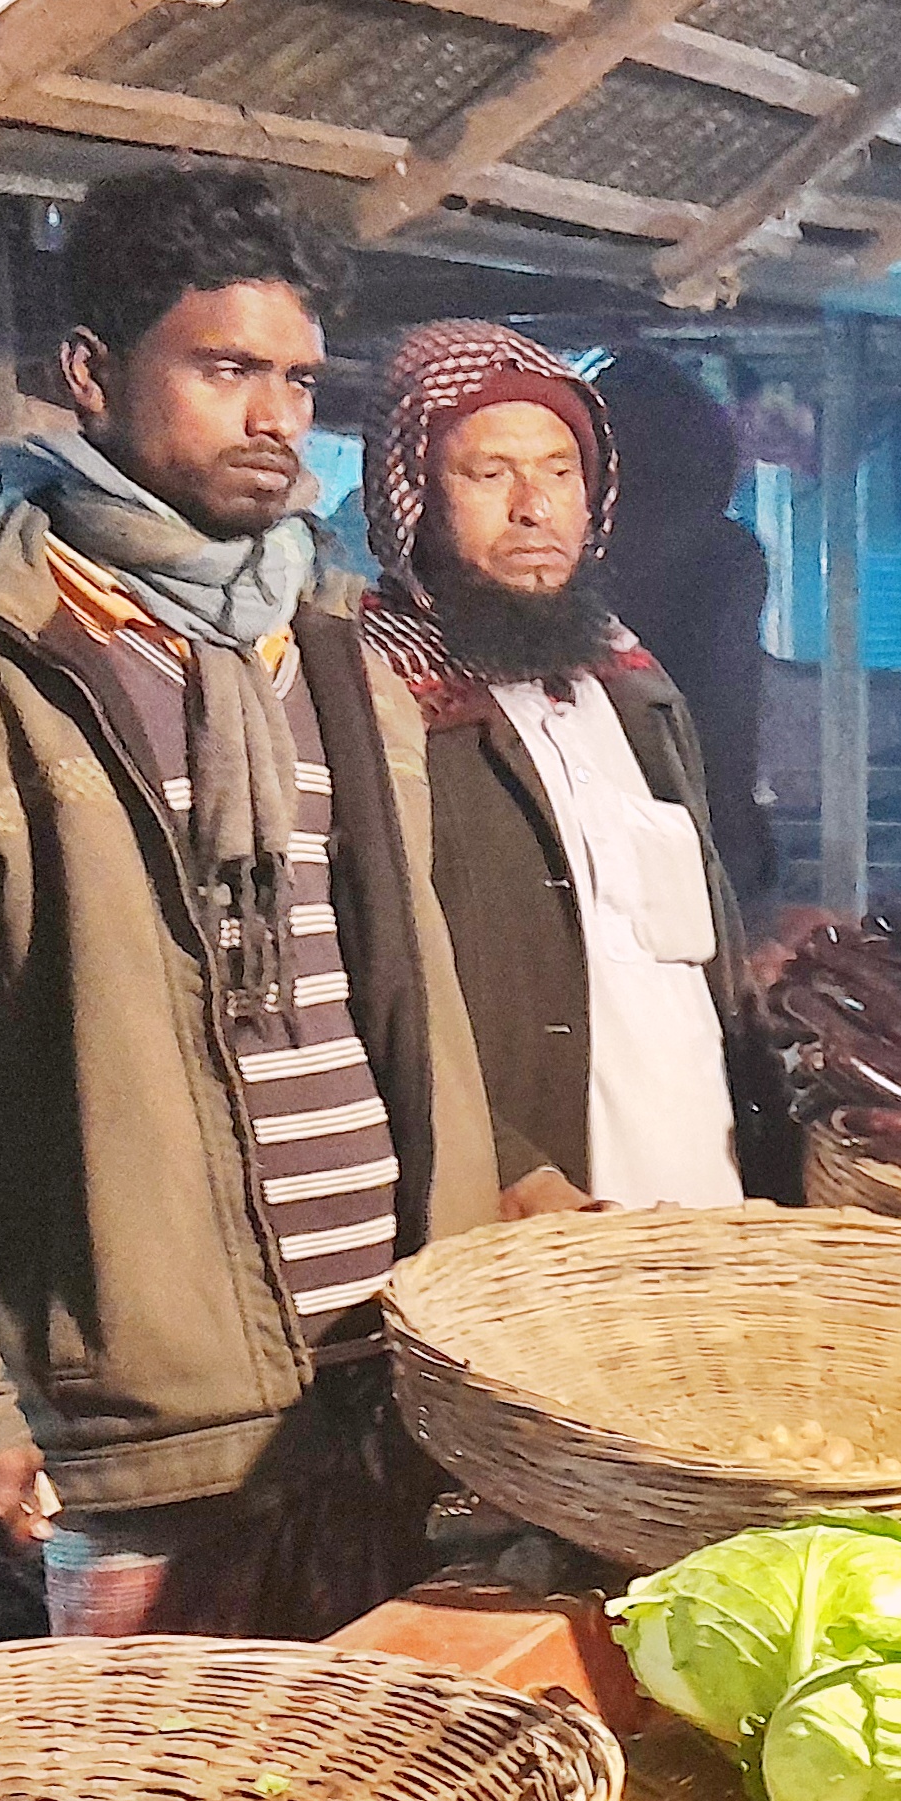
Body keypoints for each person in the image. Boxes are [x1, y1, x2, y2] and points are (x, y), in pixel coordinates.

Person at [0, 165, 499, 1643]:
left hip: (397, 1387)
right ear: (92, 370)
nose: (274, 416)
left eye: (295, 379)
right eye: (225, 370)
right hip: (143, 1429)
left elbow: (398, 998)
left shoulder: (333, 642)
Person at [356, 320, 770, 1218]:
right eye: (488, 473)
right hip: (536, 1236)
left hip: (707, 1205)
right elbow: (368, 978)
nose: (533, 508)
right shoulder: (371, 702)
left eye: (558, 471)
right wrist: (508, 1167)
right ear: (411, 497)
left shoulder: (634, 684)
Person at [596, 346, 776, 907]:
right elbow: (726, 708)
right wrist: (737, 834)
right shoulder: (726, 555)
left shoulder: (577, 555)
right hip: (688, 817)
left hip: (602, 816)